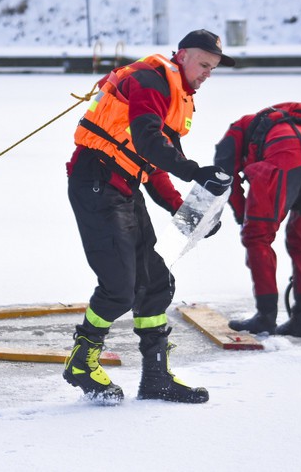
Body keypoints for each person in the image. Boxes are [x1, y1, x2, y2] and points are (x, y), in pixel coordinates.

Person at [64, 29, 235, 404]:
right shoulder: (150, 82)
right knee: (119, 288)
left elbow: (154, 164)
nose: (207, 74)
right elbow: (147, 142)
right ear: (184, 55)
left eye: (214, 68)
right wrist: (193, 171)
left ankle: (156, 377)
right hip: (96, 180)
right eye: (204, 64)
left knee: (155, 283)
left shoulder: (173, 93)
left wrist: (185, 210)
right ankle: (81, 360)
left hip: (123, 186)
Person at [213, 102, 301, 337]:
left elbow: (225, 179)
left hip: (285, 156)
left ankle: (265, 317)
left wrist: (244, 218)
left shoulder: (236, 131)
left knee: (258, 238)